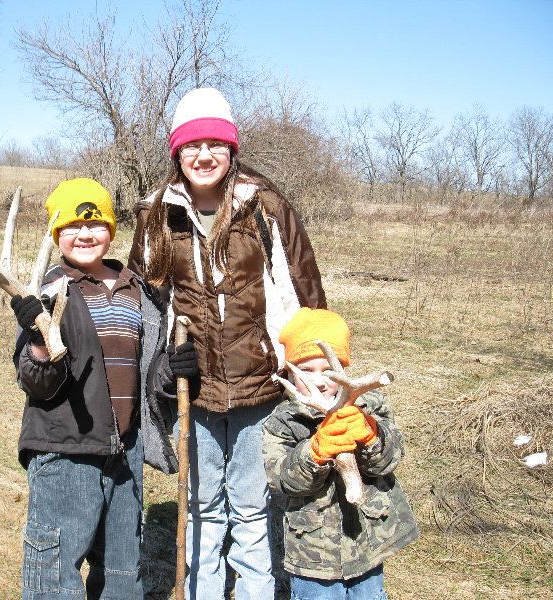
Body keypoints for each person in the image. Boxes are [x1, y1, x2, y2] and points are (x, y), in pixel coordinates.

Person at [128, 87, 327, 600]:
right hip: (192, 389)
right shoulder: (157, 214)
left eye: (216, 143)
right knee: (201, 508)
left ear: (232, 148)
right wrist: (162, 366)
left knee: (253, 508)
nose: (204, 155)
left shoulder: (264, 205)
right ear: (177, 151)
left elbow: (302, 290)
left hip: (260, 386)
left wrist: (314, 367)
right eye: (192, 145)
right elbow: (146, 303)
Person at [11, 178, 176, 600]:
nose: (85, 234)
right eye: (72, 227)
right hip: (67, 450)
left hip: (126, 450)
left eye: (97, 223)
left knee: (122, 574)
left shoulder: (134, 289)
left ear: (111, 231)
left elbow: (149, 371)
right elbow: (36, 383)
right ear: (56, 234)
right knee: (56, 577)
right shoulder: (47, 292)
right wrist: (38, 338)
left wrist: (173, 369)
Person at [262, 308, 419, 600]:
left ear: (344, 369)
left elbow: (390, 460)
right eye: (305, 371)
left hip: (367, 542)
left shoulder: (371, 407)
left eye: (328, 370)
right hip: (312, 553)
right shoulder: (283, 422)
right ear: (289, 373)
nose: (319, 381)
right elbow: (283, 481)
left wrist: (371, 434)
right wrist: (314, 453)